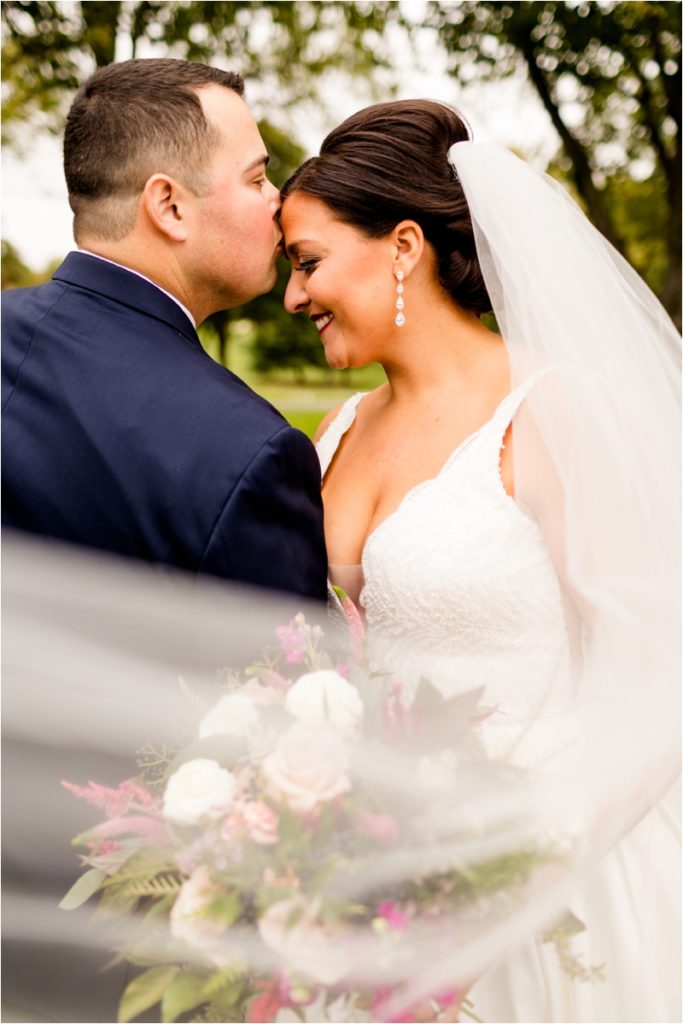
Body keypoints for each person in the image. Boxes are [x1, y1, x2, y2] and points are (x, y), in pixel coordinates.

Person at [279, 100, 681, 1022]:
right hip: (369, 888)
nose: (293, 297)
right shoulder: (332, 435)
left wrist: (510, 860)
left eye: (307, 264)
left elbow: (662, 674)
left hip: (543, 885)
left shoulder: (555, 410)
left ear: (403, 247)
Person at [1, 58, 327, 601]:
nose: (280, 200)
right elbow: (285, 681)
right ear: (170, 206)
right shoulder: (249, 452)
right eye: (257, 178)